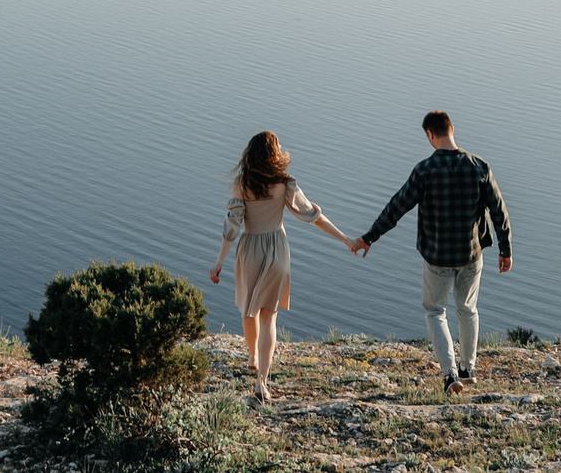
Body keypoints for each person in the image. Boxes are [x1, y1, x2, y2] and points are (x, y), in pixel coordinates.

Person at [350, 110, 512, 394]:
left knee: (435, 312)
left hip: (437, 257)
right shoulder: (479, 167)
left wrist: (369, 238)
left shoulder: (424, 170)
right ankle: (468, 368)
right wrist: (505, 249)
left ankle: (450, 376)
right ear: (452, 129)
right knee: (468, 309)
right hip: (471, 254)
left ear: (429, 134)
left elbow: (396, 208)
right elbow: (499, 210)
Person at [209, 130, 358, 401]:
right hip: (277, 250)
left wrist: (219, 262)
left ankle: (252, 355)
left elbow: (232, 226)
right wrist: (345, 238)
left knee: (248, 309)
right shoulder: (285, 183)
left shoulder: (241, 184)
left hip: (250, 249)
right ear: (274, 155)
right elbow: (313, 216)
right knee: (269, 316)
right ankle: (262, 383)